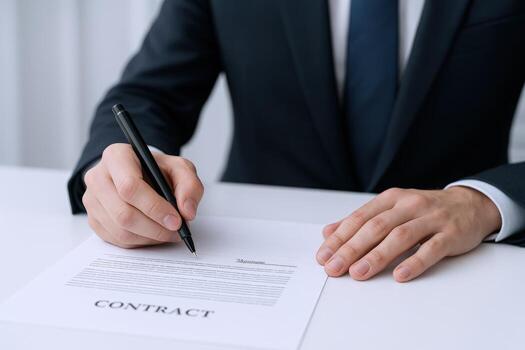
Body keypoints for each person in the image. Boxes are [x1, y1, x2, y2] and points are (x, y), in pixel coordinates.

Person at [68, 0, 525, 282]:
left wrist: (484, 203)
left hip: (456, 270)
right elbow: (147, 96)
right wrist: (116, 172)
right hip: (252, 255)